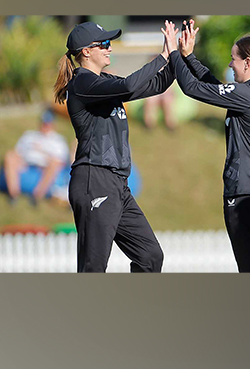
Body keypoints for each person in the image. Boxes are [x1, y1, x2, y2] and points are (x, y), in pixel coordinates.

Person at [54, 21, 176, 273]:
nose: (110, 48)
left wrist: (177, 55)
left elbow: (156, 85)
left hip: (118, 184)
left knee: (150, 257)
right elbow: (130, 85)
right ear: (86, 51)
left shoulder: (103, 81)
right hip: (94, 179)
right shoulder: (83, 83)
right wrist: (162, 55)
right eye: (105, 44)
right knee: (93, 267)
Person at [165, 20, 250, 273]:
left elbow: (193, 88)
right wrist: (189, 57)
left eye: (233, 59)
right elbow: (216, 87)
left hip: (246, 191)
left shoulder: (246, 94)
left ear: (247, 63)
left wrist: (173, 52)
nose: (230, 64)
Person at [2, 108, 70, 204]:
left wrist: (45, 161)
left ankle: (37, 196)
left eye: (47, 123)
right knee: (10, 156)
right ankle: (13, 195)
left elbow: (61, 161)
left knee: (54, 164)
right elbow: (17, 152)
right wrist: (21, 162)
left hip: (44, 167)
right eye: (44, 123)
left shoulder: (58, 141)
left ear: (52, 124)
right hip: (26, 164)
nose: (45, 126)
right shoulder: (29, 135)